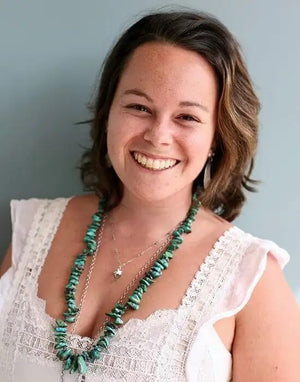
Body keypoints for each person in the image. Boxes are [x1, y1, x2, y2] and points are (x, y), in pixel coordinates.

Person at [0, 9, 299, 382]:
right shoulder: (32, 230)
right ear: (108, 113)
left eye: (186, 117)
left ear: (217, 139)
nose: (157, 136)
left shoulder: (252, 280)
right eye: (139, 107)